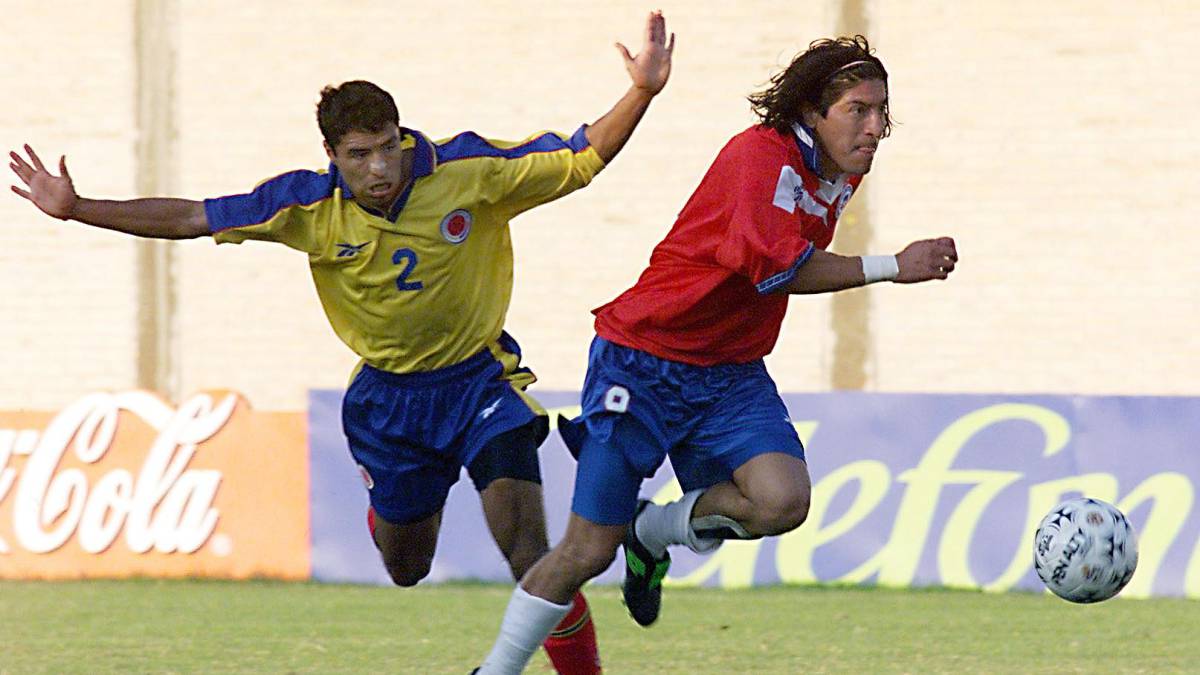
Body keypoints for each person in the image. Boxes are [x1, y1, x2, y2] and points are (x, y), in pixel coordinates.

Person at [9, 12, 676, 675]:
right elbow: (191, 215)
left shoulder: (468, 170)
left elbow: (582, 156)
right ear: (332, 156)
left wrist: (642, 91)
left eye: (387, 145)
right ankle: (387, 512)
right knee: (406, 565)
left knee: (530, 549)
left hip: (481, 382)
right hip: (388, 403)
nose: (380, 166)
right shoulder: (304, 206)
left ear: (401, 133)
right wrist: (79, 207)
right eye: (360, 154)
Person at [474, 35, 957, 673]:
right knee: (587, 551)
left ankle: (652, 533)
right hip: (643, 360)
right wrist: (894, 266)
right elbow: (777, 268)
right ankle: (496, 669)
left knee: (782, 501)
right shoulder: (759, 156)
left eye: (881, 112)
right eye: (858, 111)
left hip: (729, 373)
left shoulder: (843, 169)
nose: (874, 128)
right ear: (813, 111)